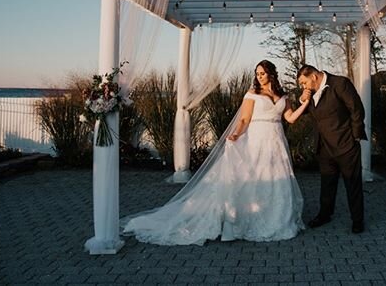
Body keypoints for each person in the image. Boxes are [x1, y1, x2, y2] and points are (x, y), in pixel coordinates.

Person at [122, 60, 309, 245]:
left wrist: (304, 104)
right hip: (256, 139)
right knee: (255, 177)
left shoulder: (283, 96)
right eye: (257, 74)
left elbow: (290, 118)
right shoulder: (252, 94)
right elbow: (244, 120)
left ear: (271, 74)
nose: (259, 77)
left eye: (262, 73)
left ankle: (276, 218)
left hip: (276, 141)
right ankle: (247, 219)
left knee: (277, 178)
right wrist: (236, 135)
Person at [297, 65, 367, 234]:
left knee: (353, 184)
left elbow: (356, 109)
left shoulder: (340, 83)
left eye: (304, 82)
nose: (303, 87)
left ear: (313, 76)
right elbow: (307, 113)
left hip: (345, 145)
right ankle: (325, 215)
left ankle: (357, 220)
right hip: (324, 147)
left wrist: (355, 136)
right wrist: (302, 99)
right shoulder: (310, 92)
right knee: (327, 184)